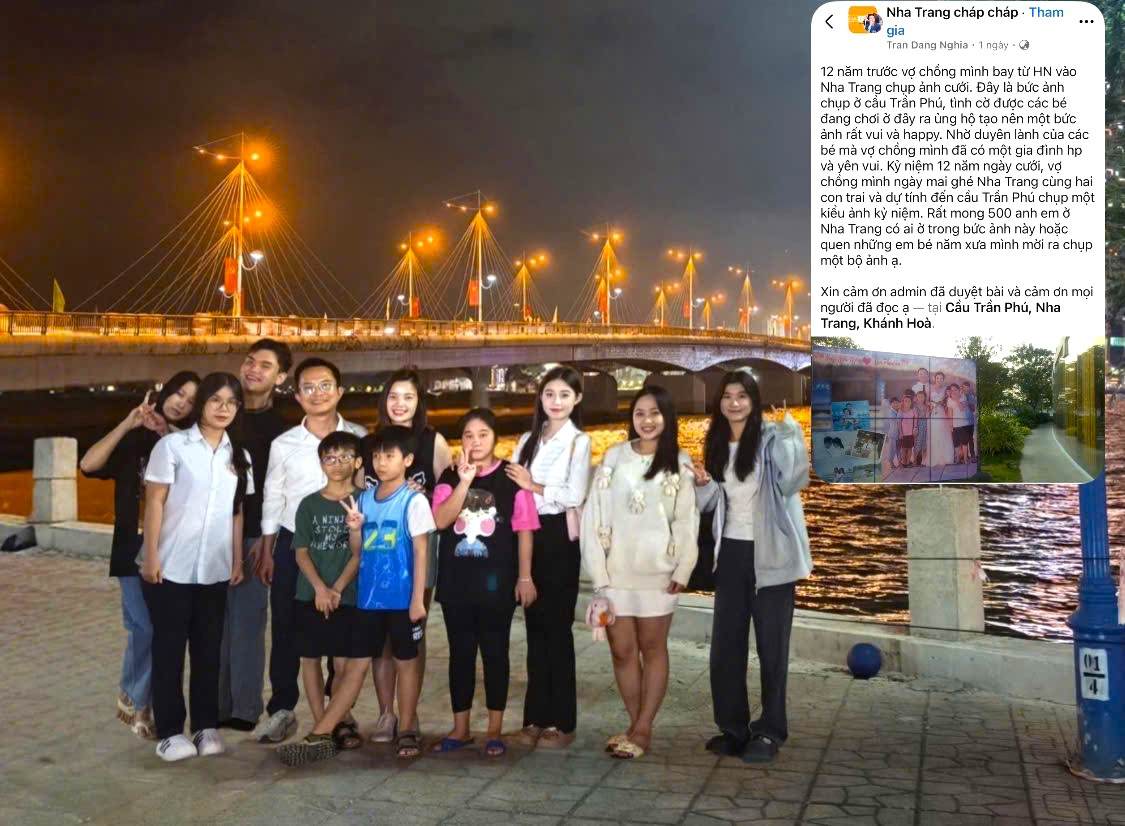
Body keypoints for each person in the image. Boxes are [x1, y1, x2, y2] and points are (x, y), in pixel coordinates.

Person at [278, 426, 435, 767]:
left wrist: (418, 599)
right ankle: (322, 732)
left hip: (401, 597)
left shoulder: (414, 499)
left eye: (389, 456)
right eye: (377, 456)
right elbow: (358, 550)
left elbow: (422, 551)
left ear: (407, 460)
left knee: (406, 662)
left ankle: (407, 727)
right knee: (356, 667)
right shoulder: (363, 499)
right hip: (367, 599)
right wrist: (352, 528)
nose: (381, 463)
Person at [689, 371, 812, 764]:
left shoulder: (772, 439)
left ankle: (770, 730)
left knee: (772, 647)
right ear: (719, 403)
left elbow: (794, 481)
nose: (734, 403)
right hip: (731, 555)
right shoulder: (716, 443)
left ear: (754, 401)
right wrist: (703, 484)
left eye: (742, 396)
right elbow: (712, 505)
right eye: (727, 396)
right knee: (726, 647)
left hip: (771, 553)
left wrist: (793, 434)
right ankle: (733, 727)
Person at [580, 385, 698, 759]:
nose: (647, 421)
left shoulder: (679, 461)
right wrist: (599, 575)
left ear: (667, 418)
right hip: (616, 574)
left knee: (652, 647)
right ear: (631, 417)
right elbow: (593, 515)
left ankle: (643, 729)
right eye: (640, 413)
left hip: (658, 574)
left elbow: (686, 519)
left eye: (655, 413)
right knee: (621, 650)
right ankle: (635, 724)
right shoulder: (613, 458)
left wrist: (684, 565)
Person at [80, 371, 200, 740]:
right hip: (130, 550)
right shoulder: (134, 441)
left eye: (191, 400)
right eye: (178, 392)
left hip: (172, 550)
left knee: (160, 630)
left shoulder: (190, 446)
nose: (180, 402)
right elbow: (89, 464)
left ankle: (148, 703)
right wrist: (127, 422)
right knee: (144, 627)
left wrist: (169, 436)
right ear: (164, 393)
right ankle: (134, 696)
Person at [254, 357, 368, 744]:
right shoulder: (284, 444)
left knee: (342, 626)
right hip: (293, 543)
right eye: (308, 387)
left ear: (339, 391)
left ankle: (341, 712)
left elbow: (366, 489)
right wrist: (269, 548)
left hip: (344, 543)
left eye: (325, 386)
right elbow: (273, 495)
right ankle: (283, 709)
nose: (317, 394)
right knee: (287, 626)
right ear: (297, 395)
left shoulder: (358, 436)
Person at [140, 372, 252, 761]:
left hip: (215, 568)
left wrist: (237, 559)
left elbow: (236, 514)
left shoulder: (239, 456)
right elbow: (154, 502)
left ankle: (206, 727)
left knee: (208, 651)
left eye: (232, 402)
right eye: (216, 400)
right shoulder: (173, 447)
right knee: (169, 650)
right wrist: (151, 555)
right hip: (170, 565)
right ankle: (170, 732)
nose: (223, 408)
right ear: (201, 403)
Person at [431, 408, 540, 757]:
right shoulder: (448, 476)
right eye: (467, 435)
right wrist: (464, 481)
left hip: (498, 583)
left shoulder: (511, 478)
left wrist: (525, 577)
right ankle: (460, 728)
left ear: (494, 437)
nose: (475, 442)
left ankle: (495, 729)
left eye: (482, 434)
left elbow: (524, 531)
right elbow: (440, 520)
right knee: (460, 655)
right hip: (456, 582)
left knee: (496, 653)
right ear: (460, 440)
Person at [360, 369, 452, 744]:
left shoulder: (434, 442)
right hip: (376, 555)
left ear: (419, 401)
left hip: (417, 550)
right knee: (380, 640)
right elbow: (360, 494)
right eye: (393, 396)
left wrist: (420, 498)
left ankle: (409, 716)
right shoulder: (370, 443)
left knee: (411, 632)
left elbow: (446, 496)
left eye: (408, 397)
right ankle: (386, 715)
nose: (400, 403)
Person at [507, 365, 592, 749]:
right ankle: (534, 716)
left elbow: (574, 495)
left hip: (558, 537)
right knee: (534, 627)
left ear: (576, 400)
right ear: (540, 398)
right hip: (526, 534)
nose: (555, 402)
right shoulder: (528, 438)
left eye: (563, 395)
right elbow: (510, 486)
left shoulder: (580, 442)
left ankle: (562, 720)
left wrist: (533, 485)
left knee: (557, 630)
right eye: (549, 394)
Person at [218, 339, 291, 732]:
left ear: (280, 377)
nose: (253, 369)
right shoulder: (222, 413)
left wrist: (268, 543)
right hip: (210, 533)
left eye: (265, 365)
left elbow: (278, 491)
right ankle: (215, 703)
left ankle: (244, 709)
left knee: (247, 622)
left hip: (254, 535)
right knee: (213, 623)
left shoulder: (284, 428)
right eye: (249, 361)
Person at [289, 431, 364, 758]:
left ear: (358, 462)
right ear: (321, 463)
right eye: (330, 458)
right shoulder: (309, 504)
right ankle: (322, 723)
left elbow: (360, 554)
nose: (337, 464)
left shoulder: (365, 500)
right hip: (310, 594)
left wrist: (337, 588)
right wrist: (320, 588)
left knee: (344, 660)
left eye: (345, 457)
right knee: (310, 658)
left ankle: (341, 717)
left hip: (348, 595)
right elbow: (301, 552)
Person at [928, 372, 954, 467]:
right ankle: (934, 457)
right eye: (937, 378)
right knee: (934, 433)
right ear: (935, 378)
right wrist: (931, 405)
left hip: (942, 413)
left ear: (943, 379)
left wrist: (942, 403)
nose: (939, 380)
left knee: (943, 433)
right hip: (934, 413)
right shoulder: (930, 388)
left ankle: (945, 457)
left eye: (941, 378)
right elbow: (927, 401)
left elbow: (947, 400)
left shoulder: (945, 389)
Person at [878, 396, 900, 478]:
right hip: (893, 433)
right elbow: (888, 424)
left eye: (897, 402)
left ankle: (898, 462)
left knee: (897, 448)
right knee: (892, 449)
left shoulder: (897, 411)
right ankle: (891, 463)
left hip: (898, 433)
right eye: (894, 403)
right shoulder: (891, 412)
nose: (896, 404)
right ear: (891, 404)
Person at [897, 389, 917, 468]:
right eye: (905, 401)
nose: (907, 402)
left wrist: (915, 428)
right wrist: (901, 433)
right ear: (903, 402)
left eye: (909, 401)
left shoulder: (913, 410)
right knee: (903, 448)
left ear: (911, 402)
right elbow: (898, 423)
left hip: (911, 433)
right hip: (904, 434)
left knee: (909, 448)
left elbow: (915, 419)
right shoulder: (901, 411)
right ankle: (903, 462)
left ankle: (908, 462)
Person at [913, 389, 930, 468]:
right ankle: (915, 461)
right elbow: (916, 417)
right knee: (917, 443)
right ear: (916, 397)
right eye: (919, 397)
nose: (920, 398)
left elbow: (927, 416)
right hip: (918, 424)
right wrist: (915, 427)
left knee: (924, 443)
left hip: (925, 424)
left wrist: (930, 409)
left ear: (925, 398)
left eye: (922, 397)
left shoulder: (926, 406)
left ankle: (923, 461)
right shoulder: (915, 406)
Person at [961, 381, 977, 460]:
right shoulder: (959, 396)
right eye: (964, 387)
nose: (966, 389)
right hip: (961, 421)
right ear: (962, 387)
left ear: (969, 388)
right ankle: (964, 456)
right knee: (963, 439)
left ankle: (973, 456)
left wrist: (968, 403)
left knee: (970, 438)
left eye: (967, 387)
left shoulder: (971, 397)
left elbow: (973, 409)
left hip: (970, 421)